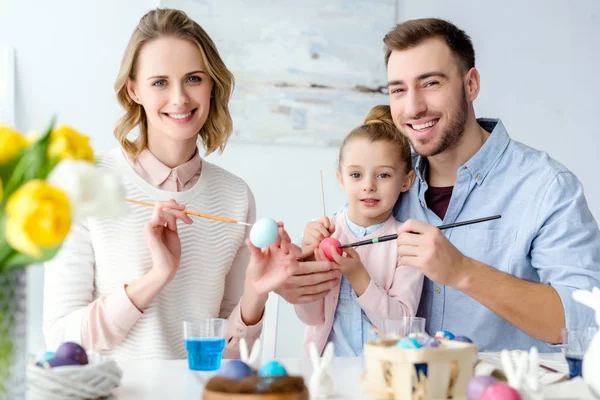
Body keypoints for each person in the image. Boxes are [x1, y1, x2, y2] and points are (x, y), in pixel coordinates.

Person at [280, 17, 600, 353]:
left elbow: (585, 323)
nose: (414, 107)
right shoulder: (386, 183)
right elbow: (330, 266)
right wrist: (300, 281)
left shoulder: (546, 187)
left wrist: (463, 272)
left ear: (471, 84)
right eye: (398, 90)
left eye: (430, 83)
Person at [43, 8, 300, 361]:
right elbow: (61, 340)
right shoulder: (86, 182)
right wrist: (157, 276)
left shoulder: (235, 197)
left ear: (212, 85)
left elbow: (230, 356)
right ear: (134, 90)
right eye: (160, 82)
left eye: (194, 78)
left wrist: (254, 297)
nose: (180, 98)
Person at [294, 105, 423, 356]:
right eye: (356, 174)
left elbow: (401, 328)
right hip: (325, 373)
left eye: (383, 175)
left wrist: (358, 275)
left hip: (382, 377)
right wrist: (307, 262)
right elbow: (309, 317)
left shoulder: (407, 245)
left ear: (406, 181)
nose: (368, 186)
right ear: (341, 179)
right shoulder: (320, 235)